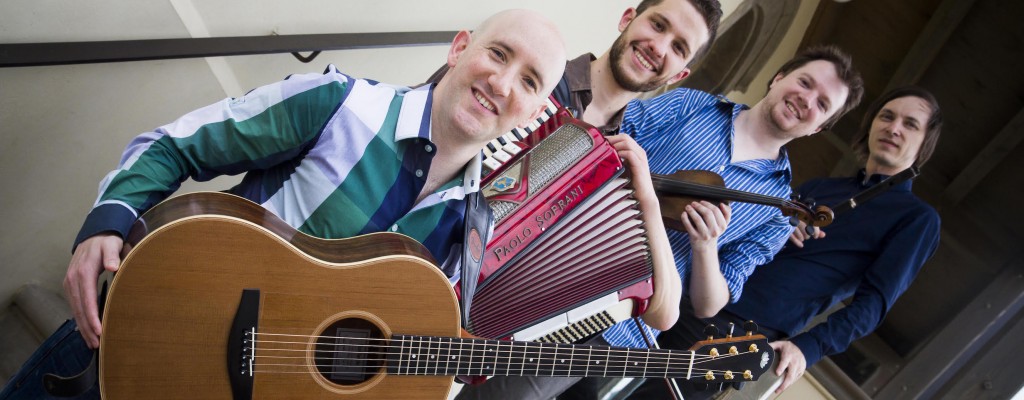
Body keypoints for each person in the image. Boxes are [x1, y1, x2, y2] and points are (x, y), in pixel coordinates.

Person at [0, 9, 575, 399]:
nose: (503, 84)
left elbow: (370, 344)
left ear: (534, 113)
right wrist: (105, 223)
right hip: (130, 336)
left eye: (530, 82)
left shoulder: (467, 231)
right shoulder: (339, 104)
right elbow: (176, 145)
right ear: (459, 48)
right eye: (498, 53)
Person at [629, 86, 942, 399]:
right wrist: (782, 231)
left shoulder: (917, 218)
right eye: (886, 116)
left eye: (910, 124)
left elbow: (874, 303)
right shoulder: (822, 188)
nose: (893, 128)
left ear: (925, 142)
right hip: (691, 288)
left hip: (737, 332)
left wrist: (810, 346)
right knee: (605, 368)